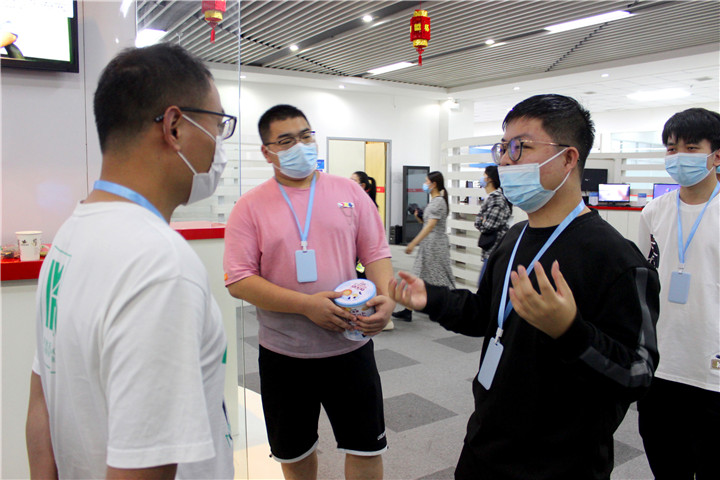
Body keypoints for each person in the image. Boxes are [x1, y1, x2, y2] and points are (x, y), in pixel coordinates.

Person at [389, 94, 660, 480]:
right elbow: (485, 315)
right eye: (503, 148)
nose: (505, 161)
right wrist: (431, 298)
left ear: (568, 158)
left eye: (520, 147)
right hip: (485, 442)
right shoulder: (514, 238)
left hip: (561, 464)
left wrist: (570, 331)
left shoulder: (616, 258)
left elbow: (637, 374)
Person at [26, 44, 235, 479]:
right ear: (174, 127)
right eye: (218, 126)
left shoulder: (70, 236)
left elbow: (41, 400)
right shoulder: (161, 266)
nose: (219, 146)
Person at [223, 104, 394, 479]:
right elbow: (238, 279)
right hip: (284, 354)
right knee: (295, 454)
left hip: (350, 347)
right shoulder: (249, 207)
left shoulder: (349, 191)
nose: (299, 146)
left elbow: (376, 252)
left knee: (365, 447)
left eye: (305, 136)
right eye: (286, 141)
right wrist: (305, 305)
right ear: (267, 152)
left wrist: (386, 298)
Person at [636, 107, 720, 480]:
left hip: (713, 372)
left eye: (690, 148)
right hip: (662, 368)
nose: (678, 156)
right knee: (668, 468)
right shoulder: (654, 211)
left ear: (716, 155)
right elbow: (642, 284)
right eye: (671, 149)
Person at [393, 171, 455, 322]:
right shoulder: (434, 201)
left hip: (435, 245)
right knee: (421, 274)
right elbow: (427, 223)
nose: (424, 184)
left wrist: (413, 243)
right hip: (430, 244)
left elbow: (430, 226)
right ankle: (409, 309)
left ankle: (451, 305)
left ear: (434, 184)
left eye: (427, 181)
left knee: (438, 276)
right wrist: (418, 217)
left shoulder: (438, 202)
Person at [474, 165, 512, 281]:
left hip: (495, 249)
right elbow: (479, 221)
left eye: (484, 176)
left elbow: (488, 225)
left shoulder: (497, 199)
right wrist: (481, 220)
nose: (482, 179)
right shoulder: (492, 198)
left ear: (489, 179)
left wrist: (481, 221)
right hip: (491, 250)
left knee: (485, 284)